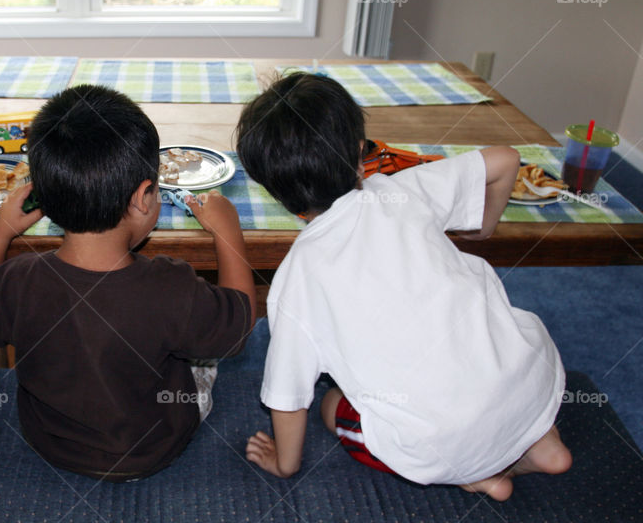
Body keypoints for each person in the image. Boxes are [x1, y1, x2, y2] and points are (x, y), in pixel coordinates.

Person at [237, 73, 571, 501]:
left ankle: (480, 476)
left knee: (330, 404)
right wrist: (482, 230)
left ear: (273, 191)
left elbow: (287, 396)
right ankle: (542, 445)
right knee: (487, 357)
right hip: (528, 380)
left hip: (446, 443)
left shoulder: (295, 279)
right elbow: (506, 159)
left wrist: (285, 465)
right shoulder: (404, 190)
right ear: (361, 154)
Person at [0, 84, 256, 481]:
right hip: (153, 447)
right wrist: (228, 233)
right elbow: (240, 325)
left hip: (49, 441)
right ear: (145, 197)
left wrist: (1, 233)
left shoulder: (18, 280)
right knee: (203, 348)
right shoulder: (172, 285)